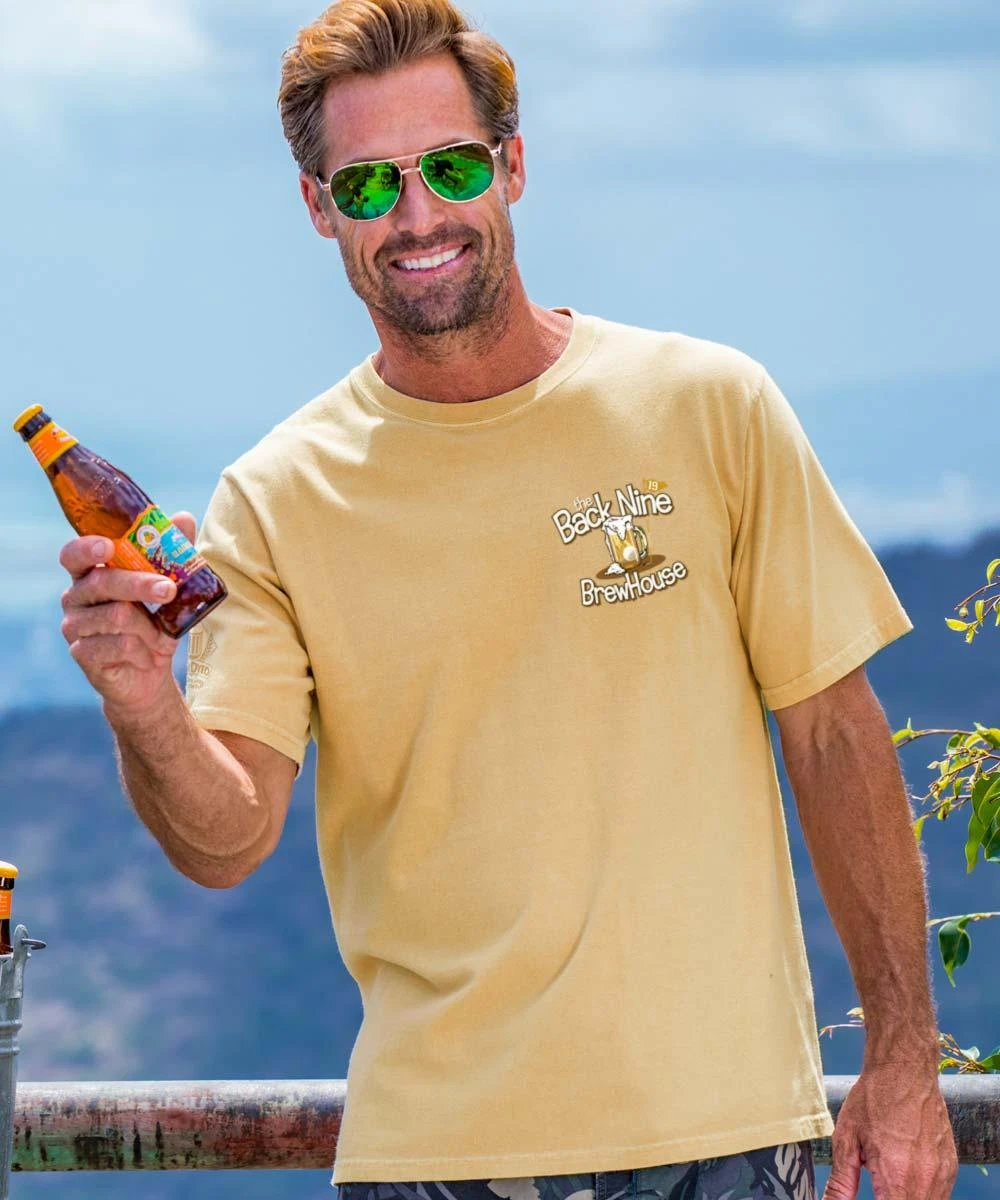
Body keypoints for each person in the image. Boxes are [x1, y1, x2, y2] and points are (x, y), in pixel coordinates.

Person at [56, 1, 959, 1198]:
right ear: (319, 208)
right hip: (437, 1159)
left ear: (512, 166)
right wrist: (142, 703)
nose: (416, 215)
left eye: (450, 166)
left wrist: (902, 1058)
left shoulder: (710, 406)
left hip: (730, 1134)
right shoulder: (275, 499)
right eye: (368, 185)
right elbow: (227, 842)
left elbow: (834, 735)